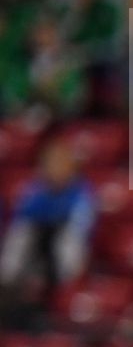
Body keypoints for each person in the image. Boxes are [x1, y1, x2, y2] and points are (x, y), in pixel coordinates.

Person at [0, 138, 95, 324]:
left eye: (60, 163)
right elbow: (24, 214)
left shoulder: (81, 192)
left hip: (65, 244)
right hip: (38, 239)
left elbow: (82, 225)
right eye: (50, 164)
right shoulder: (36, 188)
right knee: (23, 232)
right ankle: (8, 280)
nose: (55, 169)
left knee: (66, 238)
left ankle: (60, 285)